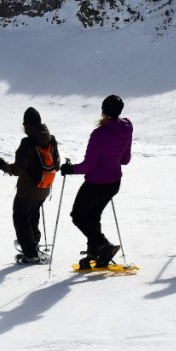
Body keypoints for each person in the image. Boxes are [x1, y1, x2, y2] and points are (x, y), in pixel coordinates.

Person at [60, 95, 132, 268]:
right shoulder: (127, 127)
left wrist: (70, 169)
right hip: (113, 182)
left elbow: (89, 166)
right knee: (92, 216)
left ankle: (104, 246)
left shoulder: (99, 134)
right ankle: (95, 254)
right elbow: (125, 159)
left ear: (103, 110)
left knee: (77, 216)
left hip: (96, 184)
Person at [0, 107, 60, 264]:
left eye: (25, 125)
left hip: (27, 190)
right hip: (45, 187)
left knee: (20, 218)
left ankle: (30, 253)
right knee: (33, 215)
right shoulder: (51, 140)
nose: (24, 128)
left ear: (29, 125)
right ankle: (34, 244)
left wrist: (3, 166)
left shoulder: (27, 143)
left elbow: (18, 169)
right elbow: (57, 165)